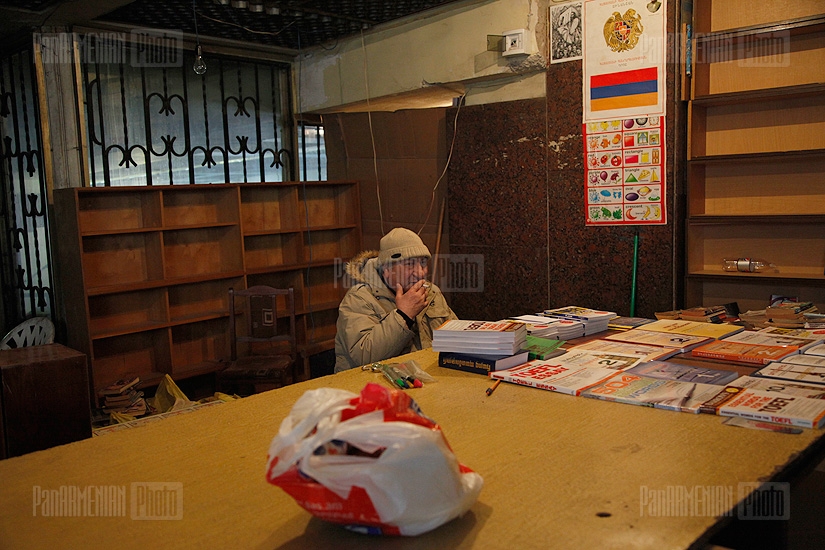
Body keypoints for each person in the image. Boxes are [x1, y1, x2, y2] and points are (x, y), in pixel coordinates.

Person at [334, 227, 457, 372]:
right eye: (409, 264)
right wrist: (403, 315)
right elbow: (362, 356)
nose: (420, 273)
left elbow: (455, 335)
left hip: (424, 378)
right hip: (371, 386)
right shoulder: (359, 298)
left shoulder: (430, 292)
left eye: (423, 263)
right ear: (386, 269)